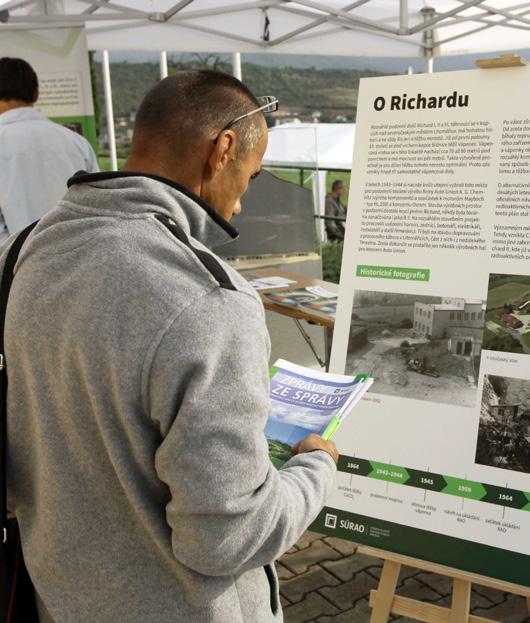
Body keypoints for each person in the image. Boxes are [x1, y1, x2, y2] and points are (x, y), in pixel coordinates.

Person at [3, 70, 338, 623]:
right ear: (223, 149)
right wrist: (315, 471)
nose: (239, 207)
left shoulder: (20, 254)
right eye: (250, 179)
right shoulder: (208, 299)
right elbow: (227, 540)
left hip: (57, 595)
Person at [0, 57, 99, 241]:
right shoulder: (77, 143)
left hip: (15, 262)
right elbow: (99, 203)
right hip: (77, 255)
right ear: (36, 94)